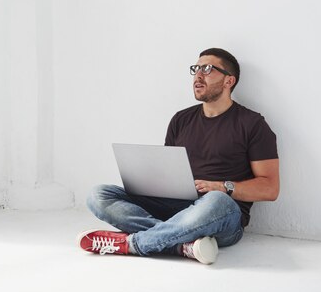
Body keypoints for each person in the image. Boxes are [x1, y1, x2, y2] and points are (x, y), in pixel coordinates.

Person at [77, 48, 279, 264]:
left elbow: (270, 188)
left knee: (217, 200)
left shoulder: (252, 124)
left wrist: (223, 187)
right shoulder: (181, 120)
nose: (198, 75)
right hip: (176, 208)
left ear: (229, 81)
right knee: (99, 194)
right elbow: (169, 171)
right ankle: (182, 245)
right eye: (196, 69)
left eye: (208, 69)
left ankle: (134, 244)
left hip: (220, 214)